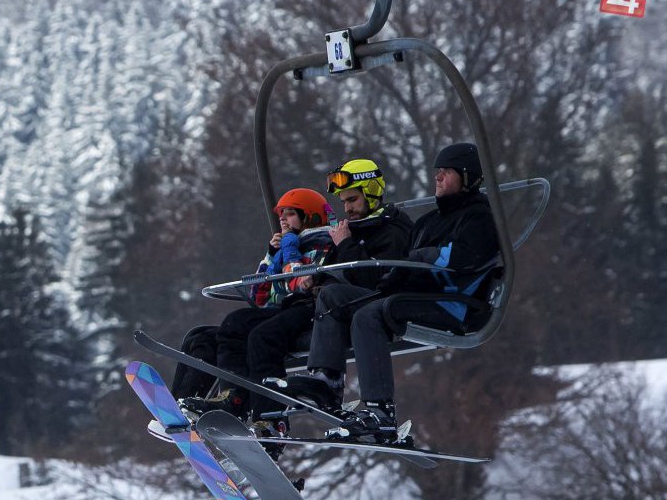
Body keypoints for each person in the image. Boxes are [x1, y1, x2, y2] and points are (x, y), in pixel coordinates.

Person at [181, 159, 412, 434]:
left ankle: (267, 414)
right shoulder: (348, 233)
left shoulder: (360, 233)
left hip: (325, 307)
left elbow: (369, 277)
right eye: (343, 202)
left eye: (352, 200)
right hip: (315, 301)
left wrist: (318, 266)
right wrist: (276, 256)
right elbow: (267, 291)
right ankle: (213, 400)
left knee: (261, 336)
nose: (347, 208)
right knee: (215, 330)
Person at [287, 143, 499, 442]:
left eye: (447, 172)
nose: (438, 178)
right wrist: (392, 279)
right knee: (334, 297)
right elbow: (403, 266)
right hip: (412, 294)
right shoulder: (430, 221)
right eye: (437, 172)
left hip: (451, 301)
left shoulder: (480, 217)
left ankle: (380, 413)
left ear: (467, 177)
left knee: (369, 314)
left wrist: (421, 259)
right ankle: (325, 382)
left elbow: (463, 259)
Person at [179, 188, 335, 422]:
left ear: (310, 216)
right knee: (203, 334)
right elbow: (258, 293)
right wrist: (272, 254)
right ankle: (188, 401)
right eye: (282, 214)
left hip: (306, 308)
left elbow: (301, 283)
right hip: (280, 308)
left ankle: (252, 408)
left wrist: (290, 252)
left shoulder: (322, 241)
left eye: (290, 214)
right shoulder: (283, 247)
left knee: (251, 331)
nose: (283, 220)